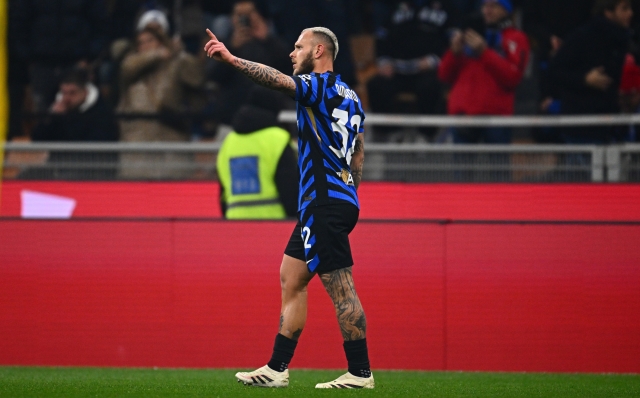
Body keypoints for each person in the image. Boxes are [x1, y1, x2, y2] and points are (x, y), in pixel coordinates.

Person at [205, 26, 372, 388]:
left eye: (299, 47)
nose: (293, 53)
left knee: (341, 287)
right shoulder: (352, 98)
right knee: (292, 278)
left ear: (320, 51)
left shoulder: (319, 85)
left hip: (324, 201)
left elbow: (280, 81)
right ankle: (277, 368)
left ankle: (360, 373)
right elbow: (358, 150)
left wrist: (232, 59)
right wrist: (351, 193)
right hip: (334, 199)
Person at [117, 25, 205, 179]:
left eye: (150, 40)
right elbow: (128, 67)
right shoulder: (131, 64)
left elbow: (197, 79)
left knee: (174, 194)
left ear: (162, 41)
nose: (145, 46)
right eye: (141, 43)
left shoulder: (176, 62)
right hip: (137, 139)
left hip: (169, 137)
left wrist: (179, 53)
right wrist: (159, 54)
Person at [438, 0, 530, 144]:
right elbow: (444, 75)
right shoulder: (468, 35)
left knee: (496, 166)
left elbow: (513, 78)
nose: (487, 10)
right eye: (485, 6)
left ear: (506, 10)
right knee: (461, 166)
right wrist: (453, 54)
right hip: (463, 114)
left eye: (494, 6)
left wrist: (484, 52)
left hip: (495, 116)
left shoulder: (516, 38)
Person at [367, 0, 456, 141]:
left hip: (428, 69)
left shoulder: (445, 8)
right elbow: (382, 37)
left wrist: (435, 60)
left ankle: (427, 135)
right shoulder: (395, 8)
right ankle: (388, 134)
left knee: (430, 87)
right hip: (396, 69)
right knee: (376, 85)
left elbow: (453, 41)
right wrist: (383, 61)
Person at [549, 0, 633, 143]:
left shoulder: (621, 39)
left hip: (607, 126)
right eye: (624, 9)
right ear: (608, 12)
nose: (630, 13)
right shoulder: (584, 36)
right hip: (581, 127)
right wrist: (584, 79)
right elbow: (555, 70)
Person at [217, 86, 298, 219]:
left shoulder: (229, 142)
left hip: (235, 224)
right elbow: (290, 189)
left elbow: (223, 195)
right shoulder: (278, 139)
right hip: (274, 225)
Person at [208, 0, 291, 126]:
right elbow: (213, 76)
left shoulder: (272, 44)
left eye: (248, 14)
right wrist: (232, 48)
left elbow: (287, 67)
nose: (244, 19)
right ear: (232, 18)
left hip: (268, 118)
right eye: (239, 15)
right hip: (231, 119)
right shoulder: (223, 45)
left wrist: (265, 40)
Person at [30, 68, 119, 179]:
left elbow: (93, 147)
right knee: (26, 176)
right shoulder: (58, 109)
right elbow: (37, 140)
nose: (67, 98)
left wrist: (68, 120)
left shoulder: (102, 113)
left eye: (72, 93)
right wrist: (51, 118)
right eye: (64, 93)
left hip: (92, 169)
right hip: (59, 167)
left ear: (85, 92)